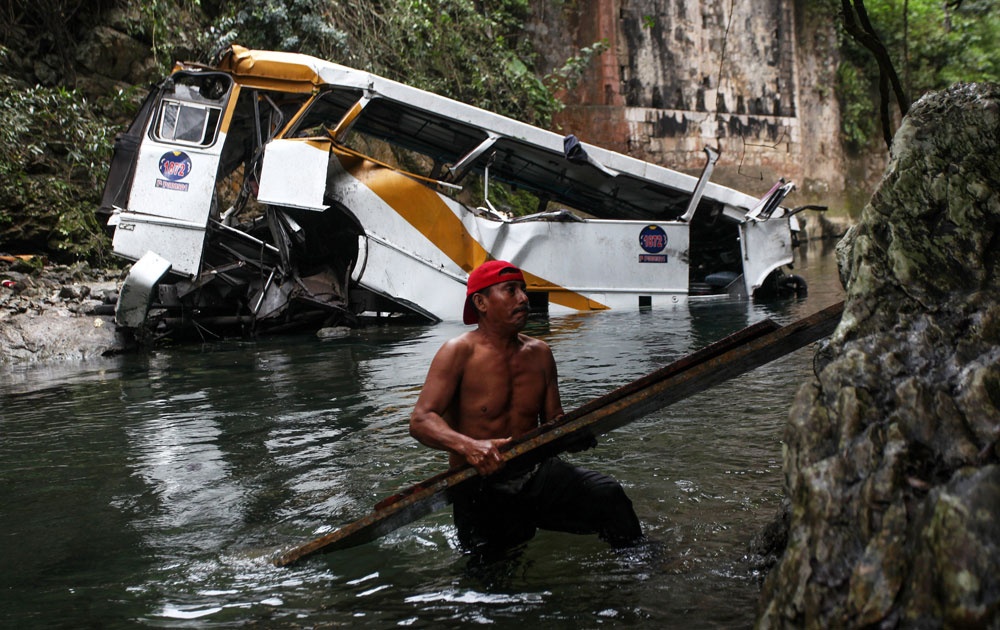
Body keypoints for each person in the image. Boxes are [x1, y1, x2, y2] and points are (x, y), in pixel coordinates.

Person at [409, 259, 643, 557]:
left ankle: (640, 571)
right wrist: (470, 447)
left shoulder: (540, 353)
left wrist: (574, 436)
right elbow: (420, 421)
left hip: (537, 473)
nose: (523, 298)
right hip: (479, 486)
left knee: (608, 496)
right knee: (492, 575)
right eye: (510, 290)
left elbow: (553, 423)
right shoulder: (458, 352)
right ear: (481, 302)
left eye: (523, 290)